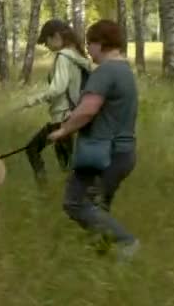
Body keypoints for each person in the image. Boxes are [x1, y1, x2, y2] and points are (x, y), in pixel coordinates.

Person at [47, 19, 140, 260]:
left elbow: (88, 109)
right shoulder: (125, 71)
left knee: (75, 203)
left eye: (90, 44)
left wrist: (63, 130)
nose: (88, 49)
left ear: (101, 43)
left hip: (102, 155)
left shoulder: (106, 72)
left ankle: (126, 242)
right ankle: (102, 257)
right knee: (98, 208)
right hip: (123, 154)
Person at [22, 19, 92, 183]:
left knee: (36, 151)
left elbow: (57, 89)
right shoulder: (76, 56)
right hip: (72, 115)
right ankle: (57, 195)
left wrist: (31, 100)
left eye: (46, 41)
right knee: (66, 165)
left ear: (55, 36)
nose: (46, 45)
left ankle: (46, 193)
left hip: (63, 118)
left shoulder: (63, 57)